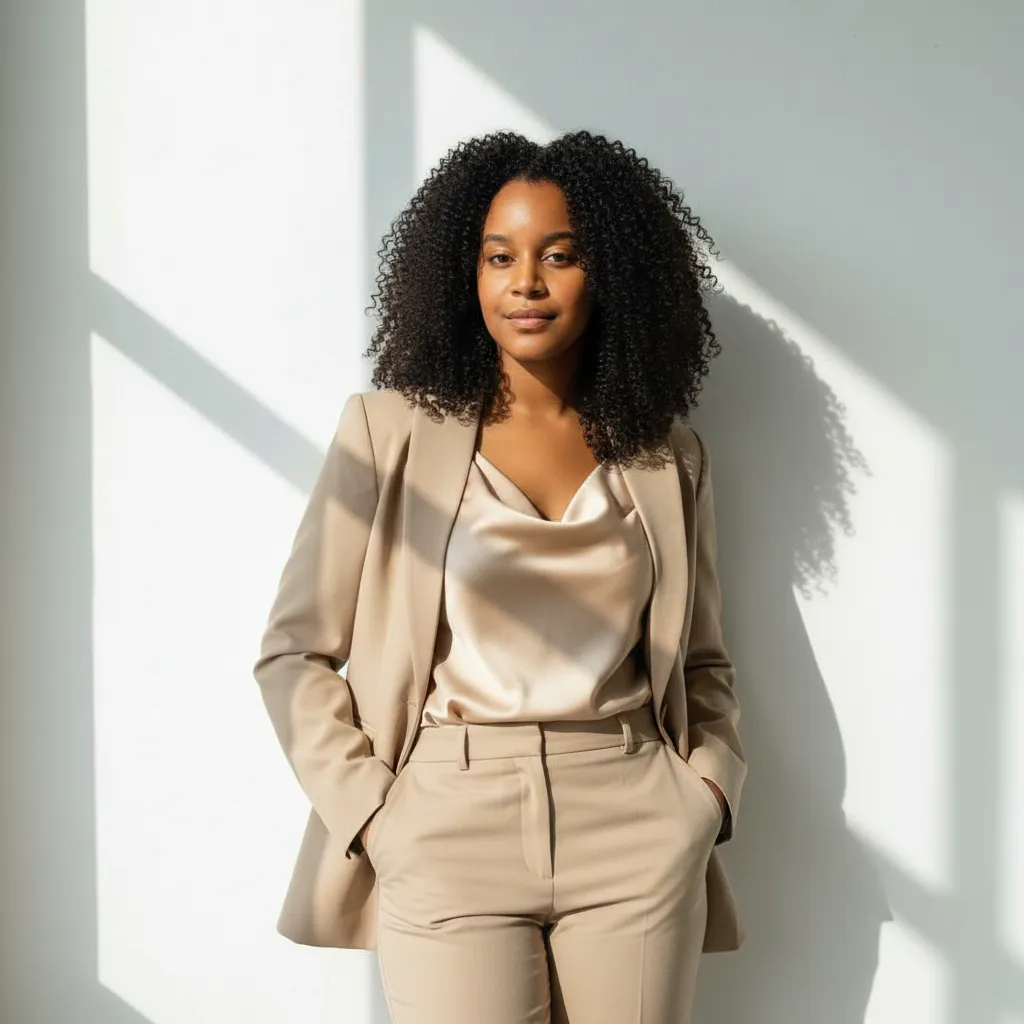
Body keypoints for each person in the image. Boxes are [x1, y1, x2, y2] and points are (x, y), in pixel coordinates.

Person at [254, 129, 746, 1024]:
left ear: (612, 276)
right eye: (499, 256)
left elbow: (704, 662)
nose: (526, 282)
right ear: (462, 274)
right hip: (445, 816)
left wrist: (705, 794)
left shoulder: (668, 457)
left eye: (560, 256)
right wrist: (375, 815)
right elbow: (294, 652)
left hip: (634, 813)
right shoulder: (386, 432)